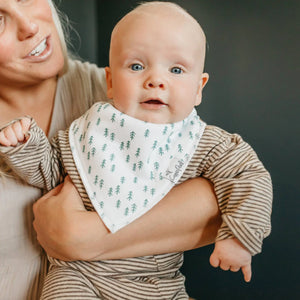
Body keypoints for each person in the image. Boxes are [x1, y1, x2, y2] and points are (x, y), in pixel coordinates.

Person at [0, 1, 272, 299]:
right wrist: (26, 144)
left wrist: (240, 237)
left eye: (177, 69)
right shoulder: (95, 125)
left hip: (155, 281)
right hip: (79, 277)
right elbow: (52, 168)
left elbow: (248, 178)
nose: (155, 80)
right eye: (137, 66)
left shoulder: (200, 140)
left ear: (199, 88)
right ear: (111, 82)